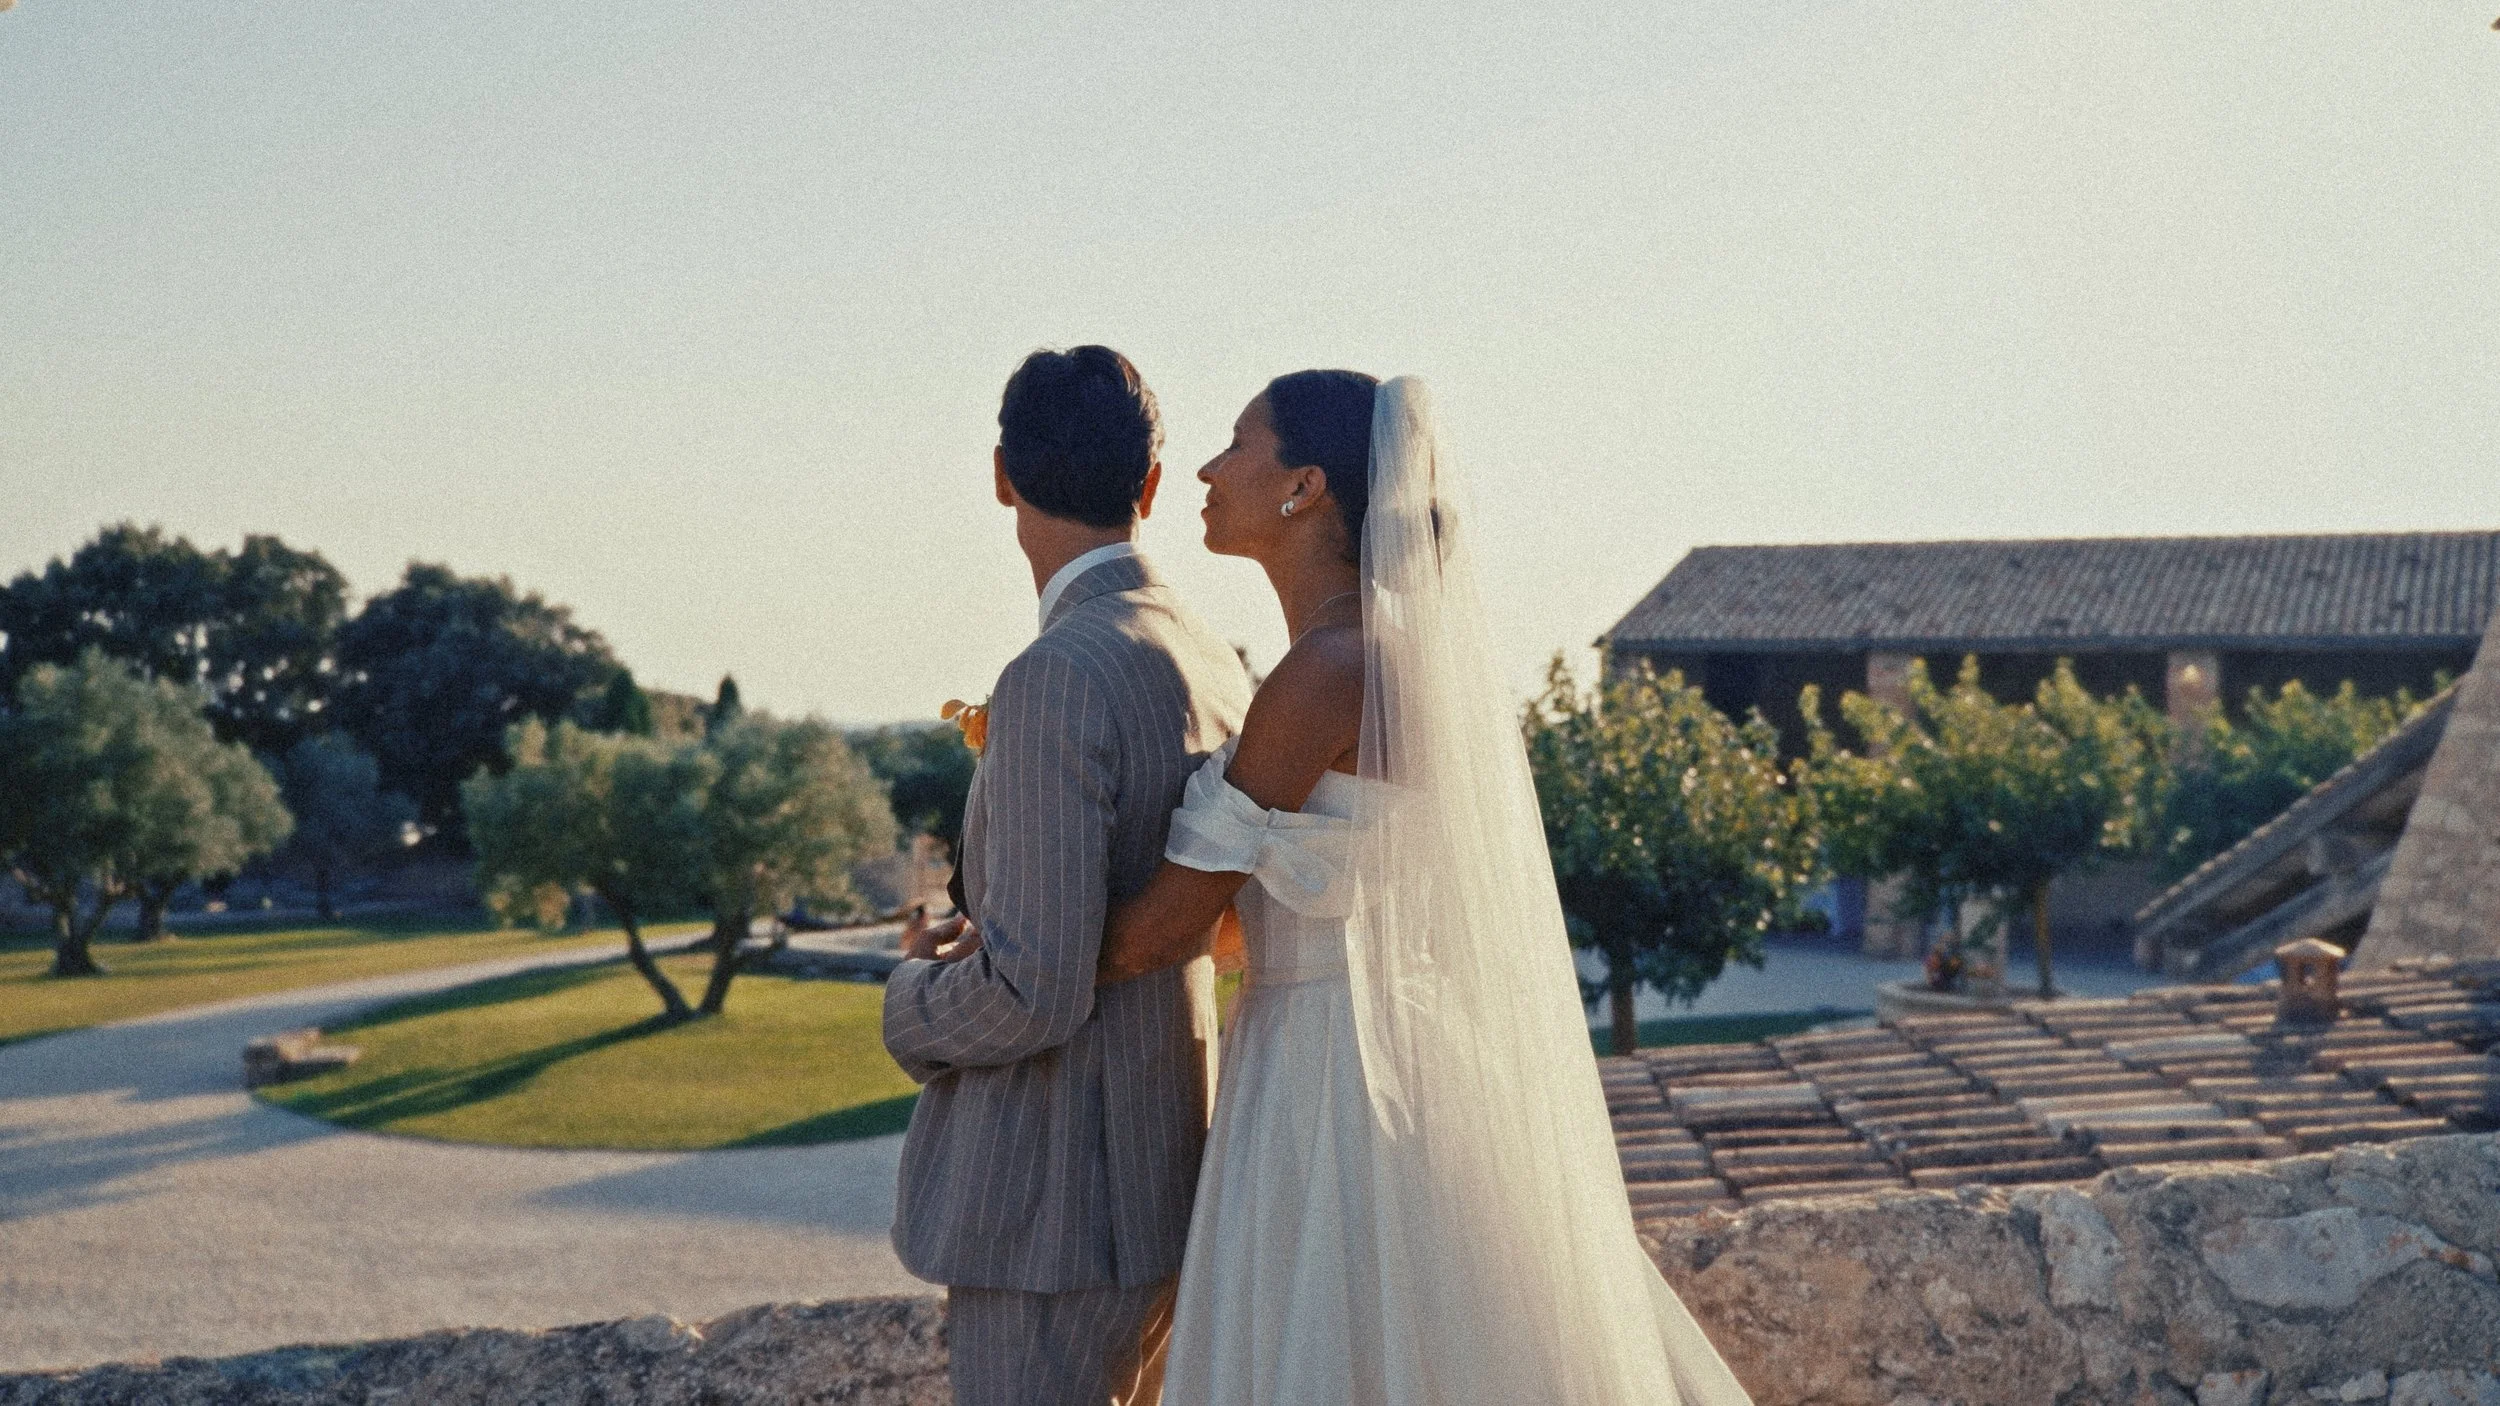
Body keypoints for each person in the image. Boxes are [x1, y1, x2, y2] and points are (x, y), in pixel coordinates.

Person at [1086, 371, 1756, 1402]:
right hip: (1383, 1046)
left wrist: (998, 890)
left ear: (1303, 485)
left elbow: (1160, 932)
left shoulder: (1328, 670)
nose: (1210, 471)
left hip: (1327, 1076)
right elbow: (1275, 905)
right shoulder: (1382, 662)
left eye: (1235, 443)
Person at [881, 345, 1253, 1406]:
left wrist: (910, 998)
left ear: (1001, 473)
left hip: (1050, 1210)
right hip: (1163, 1179)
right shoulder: (1204, 654)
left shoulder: (1056, 672)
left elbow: (1031, 989)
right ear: (1147, 484)